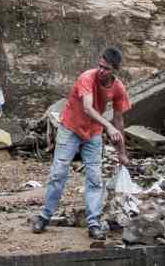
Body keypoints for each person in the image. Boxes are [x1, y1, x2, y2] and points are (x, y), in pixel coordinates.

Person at [31, 47, 131, 241]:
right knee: (58, 173)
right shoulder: (87, 77)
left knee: (94, 177)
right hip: (70, 128)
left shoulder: (118, 88)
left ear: (115, 70)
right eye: (100, 66)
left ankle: (93, 223)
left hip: (93, 133)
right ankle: (44, 217)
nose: (102, 71)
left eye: (107, 69)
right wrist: (108, 127)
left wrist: (122, 152)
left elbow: (119, 121)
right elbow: (87, 107)